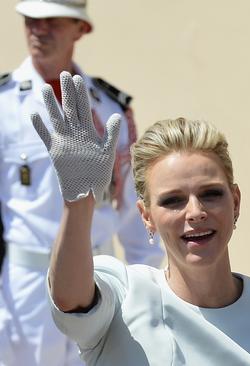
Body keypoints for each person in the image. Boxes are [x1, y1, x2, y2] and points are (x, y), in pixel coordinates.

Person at [33, 72, 250, 365]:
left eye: (210, 194)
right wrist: (79, 202)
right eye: (173, 201)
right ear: (147, 217)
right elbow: (71, 301)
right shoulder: (122, 294)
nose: (195, 212)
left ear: (235, 201)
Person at [0, 1, 163, 365]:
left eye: (52, 20)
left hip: (99, 276)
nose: (38, 30)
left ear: (81, 29)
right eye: (31, 20)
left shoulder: (108, 108)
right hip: (25, 287)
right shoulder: (4, 106)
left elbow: (131, 209)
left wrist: (148, 291)